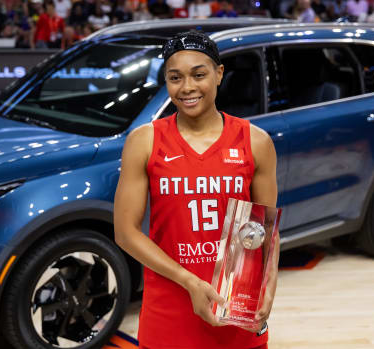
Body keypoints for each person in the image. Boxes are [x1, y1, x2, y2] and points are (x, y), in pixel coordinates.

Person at [114, 31, 279, 349]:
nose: (187, 87)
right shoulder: (145, 141)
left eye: (198, 75)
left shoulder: (255, 142)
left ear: (219, 74)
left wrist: (269, 285)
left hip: (236, 307)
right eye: (175, 77)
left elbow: (266, 228)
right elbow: (125, 232)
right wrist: (189, 281)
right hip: (169, 311)